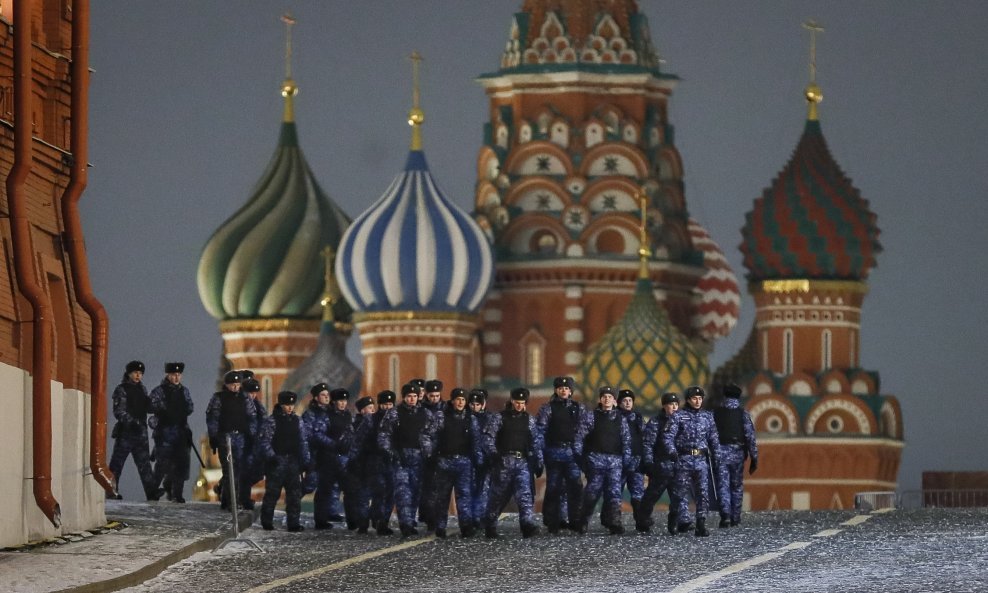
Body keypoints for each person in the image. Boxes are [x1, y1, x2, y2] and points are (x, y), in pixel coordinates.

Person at [481, 387, 544, 539]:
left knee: (525, 495)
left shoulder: (529, 420)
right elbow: (488, 437)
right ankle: (490, 523)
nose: (519, 406)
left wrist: (538, 462)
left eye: (522, 403)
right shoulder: (500, 418)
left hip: (522, 461)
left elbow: (536, 442)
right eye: (517, 402)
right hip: (503, 461)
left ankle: (526, 523)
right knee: (498, 496)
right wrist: (494, 454)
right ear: (512, 401)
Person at [662, 385, 721, 537]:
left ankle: (701, 524)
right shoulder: (678, 416)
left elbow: (713, 439)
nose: (697, 401)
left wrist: (717, 455)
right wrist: (672, 452)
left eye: (700, 398)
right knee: (679, 493)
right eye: (694, 398)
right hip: (684, 459)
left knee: (703, 493)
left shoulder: (707, 417)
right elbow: (668, 437)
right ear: (688, 400)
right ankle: (674, 518)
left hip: (701, 459)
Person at [425, 388, 482, 538]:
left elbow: (476, 442)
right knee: (442, 497)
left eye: (463, 400)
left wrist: (479, 460)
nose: (461, 402)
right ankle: (440, 527)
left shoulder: (471, 419)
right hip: (444, 461)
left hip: (464, 462)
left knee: (464, 496)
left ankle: (466, 526)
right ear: (452, 401)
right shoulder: (441, 417)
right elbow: (427, 435)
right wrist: (430, 454)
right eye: (458, 399)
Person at [574, 386, 632, 535]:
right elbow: (579, 438)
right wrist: (581, 458)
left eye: (610, 397)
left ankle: (614, 522)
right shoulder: (591, 416)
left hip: (615, 462)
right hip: (596, 460)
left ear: (614, 401)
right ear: (600, 399)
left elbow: (626, 441)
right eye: (604, 397)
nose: (607, 399)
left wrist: (626, 460)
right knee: (592, 493)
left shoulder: (620, 419)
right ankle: (582, 521)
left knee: (614, 494)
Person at [378, 383, 433, 537]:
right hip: (400, 458)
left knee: (415, 492)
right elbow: (384, 435)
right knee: (403, 492)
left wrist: (429, 454)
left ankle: (410, 520)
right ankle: (406, 524)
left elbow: (431, 435)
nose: (412, 399)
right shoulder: (394, 413)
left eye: (414, 396)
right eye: (409, 396)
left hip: (419, 459)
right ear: (404, 397)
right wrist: (391, 452)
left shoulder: (426, 414)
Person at [535, 375, 584, 534]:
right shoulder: (547, 408)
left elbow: (584, 430)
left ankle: (576, 520)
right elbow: (540, 431)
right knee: (554, 487)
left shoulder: (578, 408)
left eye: (567, 388)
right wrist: (541, 453)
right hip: (554, 452)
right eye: (561, 388)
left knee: (575, 487)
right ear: (556, 390)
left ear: (571, 391)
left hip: (573, 453)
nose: (564, 391)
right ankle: (552, 521)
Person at [258, 391, 310, 532]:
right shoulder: (272, 421)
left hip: (293, 461)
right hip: (277, 462)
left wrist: (305, 461)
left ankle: (293, 523)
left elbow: (303, 442)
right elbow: (264, 441)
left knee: (294, 495)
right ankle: (267, 521)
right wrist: (271, 457)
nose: (290, 408)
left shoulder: (297, 421)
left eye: (292, 405)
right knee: (272, 494)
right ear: (281, 404)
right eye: (287, 405)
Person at [205, 370, 258, 510]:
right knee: (229, 470)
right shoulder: (218, 398)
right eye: (232, 384)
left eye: (237, 384)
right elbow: (212, 419)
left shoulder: (244, 398)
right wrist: (214, 437)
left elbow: (252, 416)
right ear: (227, 385)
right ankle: (230, 501)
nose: (235, 387)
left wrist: (252, 435)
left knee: (238, 470)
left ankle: (231, 500)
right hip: (225, 438)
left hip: (240, 437)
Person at [638, 392, 688, 534]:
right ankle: (643, 520)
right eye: (670, 404)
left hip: (678, 465)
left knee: (679, 496)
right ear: (664, 406)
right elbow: (648, 444)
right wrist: (649, 463)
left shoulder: (682, 421)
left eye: (676, 404)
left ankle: (682, 520)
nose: (673, 407)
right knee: (651, 496)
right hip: (661, 465)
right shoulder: (655, 422)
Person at [109, 360, 159, 500]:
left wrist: (156, 406)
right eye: (135, 373)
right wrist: (132, 422)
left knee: (145, 465)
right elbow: (119, 411)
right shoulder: (122, 389)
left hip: (140, 434)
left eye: (140, 373)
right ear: (129, 373)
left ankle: (152, 493)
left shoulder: (142, 389)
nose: (138, 376)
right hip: (126, 432)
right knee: (117, 465)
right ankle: (111, 491)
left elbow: (147, 407)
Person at [350, 390, 397, 535]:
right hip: (373, 460)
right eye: (384, 404)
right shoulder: (371, 420)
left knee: (390, 493)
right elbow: (358, 441)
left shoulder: (397, 419)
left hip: (392, 461)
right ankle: (375, 521)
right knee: (378, 492)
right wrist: (354, 460)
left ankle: (381, 520)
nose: (387, 408)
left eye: (390, 404)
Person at [713, 383, 759, 527]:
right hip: (738, 454)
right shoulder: (743, 414)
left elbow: (710, 435)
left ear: (725, 396)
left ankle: (725, 515)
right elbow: (750, 437)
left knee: (722, 485)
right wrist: (754, 457)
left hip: (720, 453)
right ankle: (735, 517)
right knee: (737, 486)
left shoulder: (716, 413)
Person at [148, 362, 193, 503]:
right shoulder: (159, 391)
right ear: (168, 375)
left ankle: (177, 494)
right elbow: (151, 406)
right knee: (162, 465)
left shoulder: (184, 391)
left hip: (180, 432)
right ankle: (152, 492)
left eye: (179, 375)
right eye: (174, 375)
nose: (176, 378)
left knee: (181, 464)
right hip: (165, 433)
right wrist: (164, 411)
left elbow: (190, 408)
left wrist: (180, 412)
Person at [311, 387, 354, 529]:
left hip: (345, 459)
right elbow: (318, 434)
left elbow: (353, 433)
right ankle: (321, 520)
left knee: (350, 490)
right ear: (334, 402)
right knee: (325, 490)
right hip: (328, 458)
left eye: (344, 401)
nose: (342, 404)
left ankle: (353, 520)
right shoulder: (326, 416)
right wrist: (333, 444)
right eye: (340, 401)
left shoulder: (348, 415)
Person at [346, 395, 377, 533]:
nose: (372, 410)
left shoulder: (376, 423)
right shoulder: (354, 425)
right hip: (359, 464)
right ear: (362, 411)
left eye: (373, 407)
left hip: (372, 463)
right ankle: (361, 522)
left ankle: (375, 520)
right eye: (369, 408)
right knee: (360, 495)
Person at [418, 379, 446, 530]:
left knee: (439, 487)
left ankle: (435, 517)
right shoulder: (420, 409)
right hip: (423, 454)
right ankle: (428, 516)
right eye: (431, 395)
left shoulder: (446, 408)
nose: (434, 398)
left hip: (442, 453)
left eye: (436, 395)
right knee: (426, 487)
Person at [617, 389, 646, 527]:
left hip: (636, 460)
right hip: (619, 461)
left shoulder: (638, 417)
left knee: (638, 493)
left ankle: (641, 520)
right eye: (625, 401)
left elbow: (644, 437)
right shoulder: (615, 417)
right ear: (619, 403)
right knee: (616, 492)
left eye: (630, 400)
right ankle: (614, 521)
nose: (628, 403)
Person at [467, 388, 493, 531]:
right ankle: (471, 517)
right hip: (468, 458)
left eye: (478, 404)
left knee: (483, 489)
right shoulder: (465, 418)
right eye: (472, 404)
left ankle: (480, 517)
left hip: (485, 458)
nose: (475, 407)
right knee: (469, 489)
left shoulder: (489, 418)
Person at [301, 382, 331, 496]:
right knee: (310, 484)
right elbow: (307, 435)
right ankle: (293, 502)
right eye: (323, 395)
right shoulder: (310, 414)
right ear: (316, 397)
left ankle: (325, 513)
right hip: (315, 455)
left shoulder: (333, 413)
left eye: (327, 394)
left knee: (328, 488)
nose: (327, 397)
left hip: (330, 455)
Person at [242, 378, 268, 494]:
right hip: (244, 443)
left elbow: (263, 421)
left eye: (254, 393)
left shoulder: (258, 405)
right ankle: (242, 497)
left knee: (258, 473)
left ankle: (237, 492)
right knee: (244, 472)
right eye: (250, 393)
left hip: (256, 444)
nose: (253, 395)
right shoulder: (240, 404)